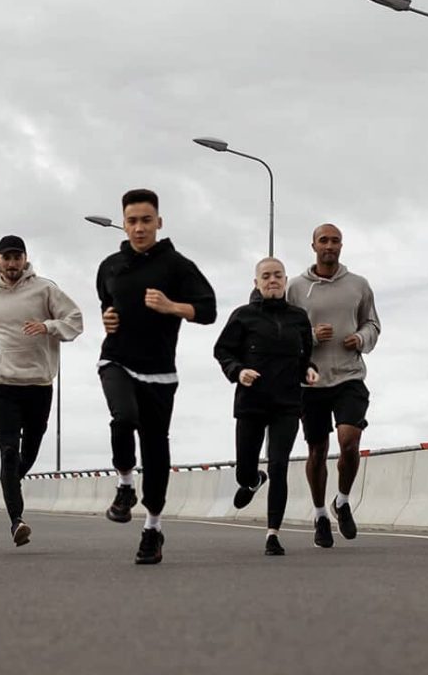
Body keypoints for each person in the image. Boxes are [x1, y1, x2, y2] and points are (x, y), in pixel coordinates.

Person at [96, 188, 216, 565]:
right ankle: (126, 485)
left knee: (155, 449)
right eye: (132, 220)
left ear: (159, 223)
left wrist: (172, 306)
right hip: (116, 359)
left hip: (160, 371)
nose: (139, 227)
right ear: (124, 223)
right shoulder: (109, 266)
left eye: (146, 220)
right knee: (123, 417)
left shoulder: (177, 266)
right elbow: (107, 303)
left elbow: (209, 309)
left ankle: (153, 527)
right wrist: (108, 318)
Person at [0, 234, 83, 547]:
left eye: (17, 257)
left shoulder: (45, 289)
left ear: (24, 259)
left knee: (29, 452)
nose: (12, 263)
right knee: (8, 452)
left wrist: (48, 326)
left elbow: (75, 320)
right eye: (6, 257)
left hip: (39, 385)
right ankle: (17, 521)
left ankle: (9, 484)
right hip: (3, 386)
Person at [214, 257, 318, 556]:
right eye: (266, 276)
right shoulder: (243, 316)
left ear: (285, 281)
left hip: (287, 403)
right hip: (252, 403)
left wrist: (308, 370)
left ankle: (273, 534)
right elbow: (222, 350)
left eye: (278, 276)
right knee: (245, 469)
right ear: (257, 283)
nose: (272, 280)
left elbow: (304, 357)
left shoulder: (298, 317)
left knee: (279, 465)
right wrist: (238, 371)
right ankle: (251, 481)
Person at [286, 224, 380, 548]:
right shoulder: (295, 288)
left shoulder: (359, 285)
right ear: (313, 245)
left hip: (349, 375)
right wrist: (310, 337)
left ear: (342, 245)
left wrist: (362, 338)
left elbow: (373, 323)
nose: (329, 245)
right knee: (318, 450)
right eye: (323, 240)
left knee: (349, 440)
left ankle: (342, 500)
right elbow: (283, 333)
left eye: (335, 240)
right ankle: (320, 515)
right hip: (311, 380)